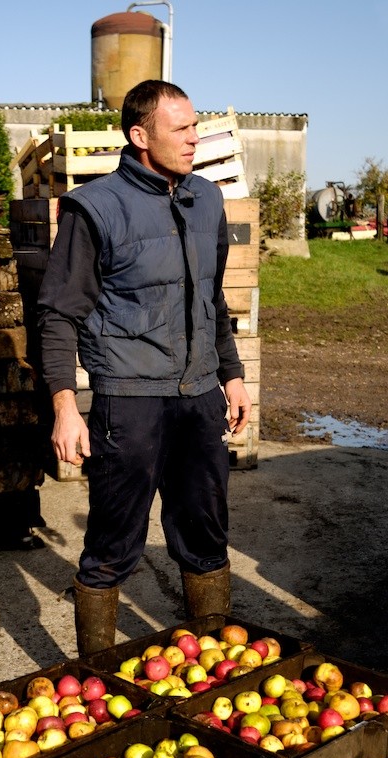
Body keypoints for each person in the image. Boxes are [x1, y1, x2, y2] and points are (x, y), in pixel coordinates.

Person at [37, 79, 251, 655]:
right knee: (113, 543)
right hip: (129, 403)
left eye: (196, 126)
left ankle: (214, 663)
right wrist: (65, 407)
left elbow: (211, 299)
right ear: (139, 135)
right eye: (180, 129)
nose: (194, 138)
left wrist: (230, 374)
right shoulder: (96, 208)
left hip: (200, 396)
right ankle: (97, 678)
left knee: (206, 536)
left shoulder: (206, 199)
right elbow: (58, 315)